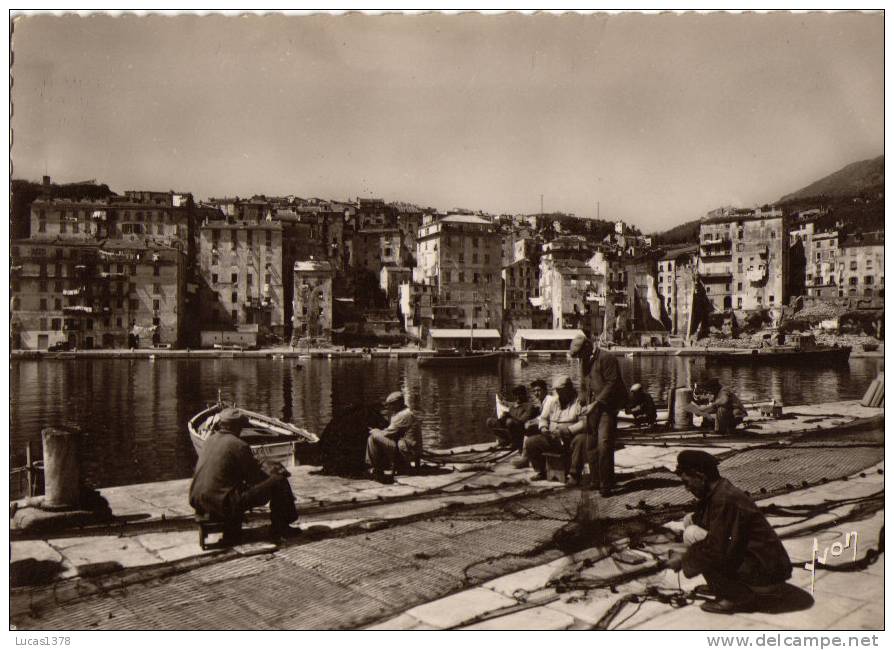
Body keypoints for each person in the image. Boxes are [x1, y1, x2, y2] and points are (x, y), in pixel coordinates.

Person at [663, 450, 792, 614]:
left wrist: (683, 560)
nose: (687, 488)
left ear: (700, 476)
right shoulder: (718, 491)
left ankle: (735, 596)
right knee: (690, 520)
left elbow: (716, 549)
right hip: (763, 566)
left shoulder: (724, 499)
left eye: (687, 482)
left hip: (766, 575)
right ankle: (721, 586)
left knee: (693, 535)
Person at [189, 408, 299, 542]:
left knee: (257, 484)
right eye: (241, 427)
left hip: (197, 499)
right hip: (222, 503)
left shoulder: (209, 441)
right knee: (279, 480)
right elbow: (254, 478)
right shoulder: (238, 445)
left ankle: (279, 524)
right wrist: (274, 473)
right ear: (236, 427)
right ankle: (281, 527)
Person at [569, 332, 628, 496]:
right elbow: (584, 384)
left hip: (607, 407)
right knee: (591, 444)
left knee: (604, 445)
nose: (579, 359)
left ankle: (606, 485)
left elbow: (612, 384)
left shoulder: (606, 358)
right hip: (592, 408)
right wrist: (581, 401)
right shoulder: (585, 360)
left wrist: (595, 403)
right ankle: (595, 481)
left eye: (579, 354)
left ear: (588, 347)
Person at [515, 375, 588, 485]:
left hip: (570, 438)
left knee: (581, 439)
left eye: (561, 390)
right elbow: (543, 418)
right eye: (557, 391)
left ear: (568, 389)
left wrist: (568, 430)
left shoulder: (579, 402)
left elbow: (584, 422)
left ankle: (574, 475)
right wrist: (543, 428)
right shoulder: (553, 401)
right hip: (553, 438)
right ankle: (541, 471)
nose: (559, 393)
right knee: (531, 442)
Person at [366, 390, 422, 483]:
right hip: (407, 446)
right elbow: (392, 431)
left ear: (397, 404)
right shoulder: (404, 412)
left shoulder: (403, 415)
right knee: (374, 436)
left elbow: (387, 433)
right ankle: (376, 467)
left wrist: (375, 431)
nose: (389, 407)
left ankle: (375, 468)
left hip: (407, 450)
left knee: (372, 437)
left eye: (391, 404)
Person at [488, 385, 539, 450]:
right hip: (510, 426)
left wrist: (510, 416)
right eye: (516, 394)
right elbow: (509, 413)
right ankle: (504, 440)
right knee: (490, 421)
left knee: (509, 421)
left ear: (524, 395)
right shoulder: (514, 405)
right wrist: (504, 416)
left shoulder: (529, 406)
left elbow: (523, 420)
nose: (517, 397)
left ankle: (515, 443)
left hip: (520, 429)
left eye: (519, 394)